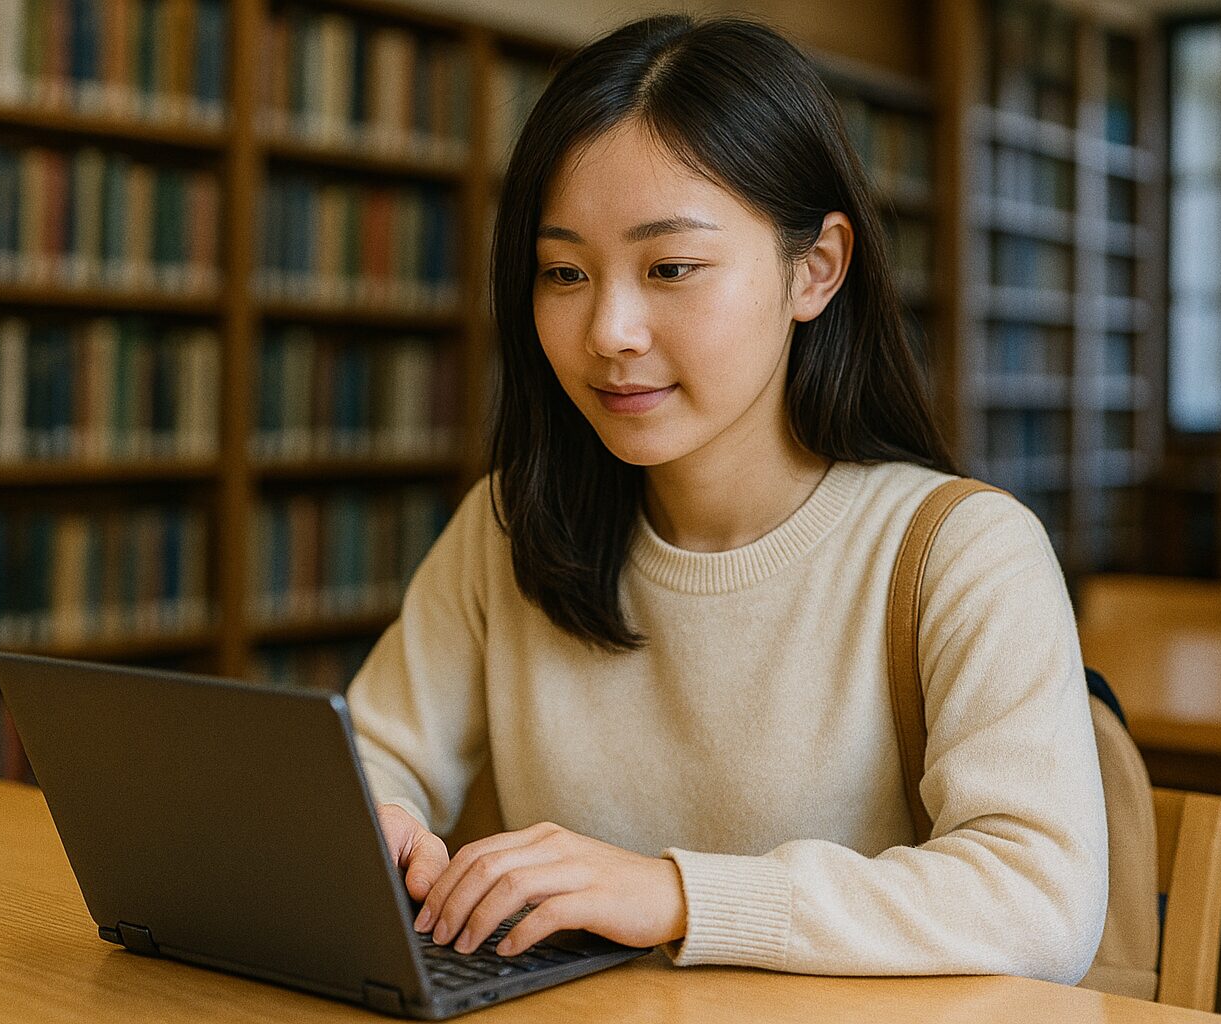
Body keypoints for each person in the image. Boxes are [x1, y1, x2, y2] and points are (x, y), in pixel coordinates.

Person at [345, 13, 1107, 983]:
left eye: (671, 268)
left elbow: (1041, 897)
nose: (610, 330)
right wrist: (382, 824)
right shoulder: (510, 528)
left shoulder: (963, 551)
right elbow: (365, 761)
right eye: (564, 272)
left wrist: (673, 893)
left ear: (816, 269)